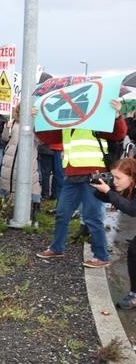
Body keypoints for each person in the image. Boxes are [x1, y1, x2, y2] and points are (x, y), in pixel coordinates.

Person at [35, 100, 127, 268]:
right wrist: (38, 120)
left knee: (92, 217)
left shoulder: (96, 119)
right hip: (71, 176)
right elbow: (47, 137)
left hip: (93, 176)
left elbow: (119, 134)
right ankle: (57, 248)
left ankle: (101, 256)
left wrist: (116, 115)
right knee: (62, 214)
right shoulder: (67, 123)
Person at [90, 158, 136, 308]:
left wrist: (109, 191)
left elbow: (131, 209)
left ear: (132, 176)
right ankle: (134, 294)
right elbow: (113, 198)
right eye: (113, 176)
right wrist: (100, 187)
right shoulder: (129, 185)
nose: (115, 181)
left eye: (118, 178)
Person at [0, 103, 41, 224]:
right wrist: (7, 127)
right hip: (11, 159)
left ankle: (34, 210)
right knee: (8, 182)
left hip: (29, 159)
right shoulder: (14, 123)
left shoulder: (34, 124)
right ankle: (4, 209)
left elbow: (40, 140)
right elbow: (5, 138)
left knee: (32, 182)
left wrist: (35, 123)